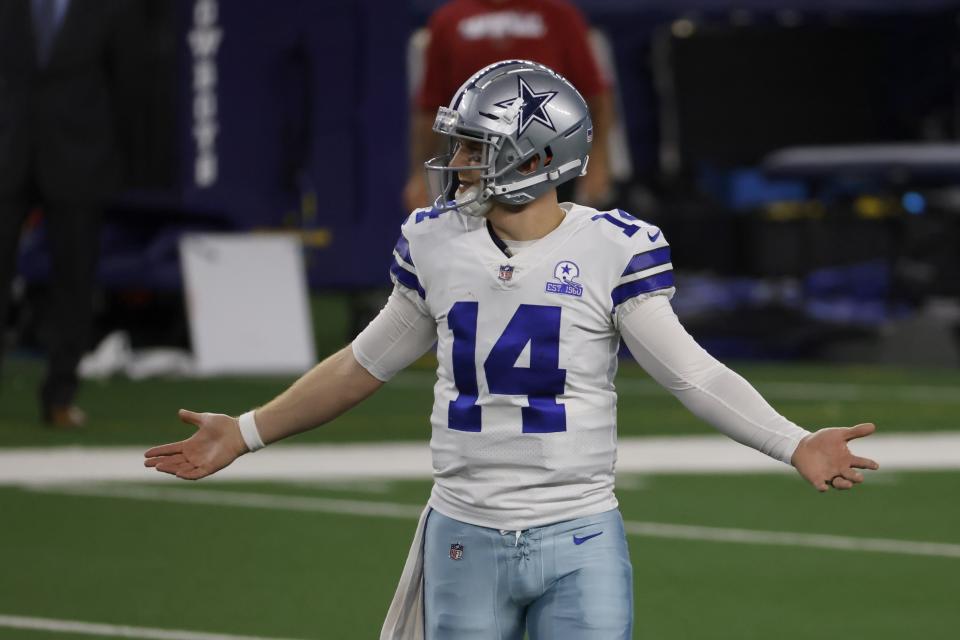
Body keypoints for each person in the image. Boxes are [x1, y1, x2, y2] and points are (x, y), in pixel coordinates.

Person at [144, 61, 880, 640]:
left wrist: (795, 443)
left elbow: (692, 373)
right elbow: (363, 364)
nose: (456, 160)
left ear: (534, 156)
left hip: (580, 532)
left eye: (475, 146)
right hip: (463, 532)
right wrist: (244, 432)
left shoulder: (610, 249)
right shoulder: (436, 243)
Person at [0, 0, 141, 427]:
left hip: (81, 160)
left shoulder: (107, 9)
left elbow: (129, 85)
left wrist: (120, 163)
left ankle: (60, 394)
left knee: (75, 282)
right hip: (7, 153)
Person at [404, 0, 615, 212]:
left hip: (545, 152)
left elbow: (594, 95)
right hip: (472, 153)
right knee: (469, 233)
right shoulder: (447, 19)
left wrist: (598, 159)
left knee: (550, 233)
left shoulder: (559, 14)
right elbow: (431, 106)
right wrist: (419, 173)